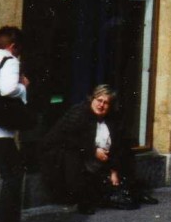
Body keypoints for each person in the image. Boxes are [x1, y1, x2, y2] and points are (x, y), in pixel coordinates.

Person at [41, 85, 156, 214]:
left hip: (100, 157)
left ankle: (133, 190)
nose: (101, 105)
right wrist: (93, 150)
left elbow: (117, 144)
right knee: (72, 156)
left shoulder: (112, 118)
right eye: (99, 100)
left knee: (125, 149)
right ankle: (82, 200)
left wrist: (114, 170)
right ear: (92, 99)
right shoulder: (79, 113)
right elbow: (66, 139)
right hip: (69, 156)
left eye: (106, 103)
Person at [0, 25, 29, 222]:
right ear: (13, 46)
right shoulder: (10, 60)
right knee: (14, 175)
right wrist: (23, 87)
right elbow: (7, 89)